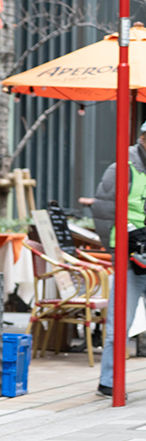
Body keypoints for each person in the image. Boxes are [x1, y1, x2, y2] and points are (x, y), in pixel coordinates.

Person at [90, 121, 146, 396]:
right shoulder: (123, 167)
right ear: (143, 139)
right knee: (119, 321)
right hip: (130, 255)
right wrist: (120, 247)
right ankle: (109, 382)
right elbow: (103, 211)